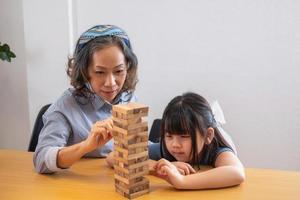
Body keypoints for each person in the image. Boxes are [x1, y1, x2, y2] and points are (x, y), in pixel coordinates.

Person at [33, 25, 138, 174]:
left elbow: (136, 145)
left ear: (128, 67)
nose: (111, 83)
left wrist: (162, 163)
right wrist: (86, 146)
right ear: (84, 71)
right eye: (100, 72)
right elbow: (41, 161)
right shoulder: (65, 106)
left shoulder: (129, 98)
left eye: (119, 71)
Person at [148, 92, 245, 189]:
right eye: (169, 136)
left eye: (184, 136)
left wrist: (182, 181)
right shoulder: (165, 149)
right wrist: (159, 166)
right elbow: (133, 158)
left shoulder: (215, 151)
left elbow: (237, 173)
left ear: (208, 135)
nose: (175, 144)